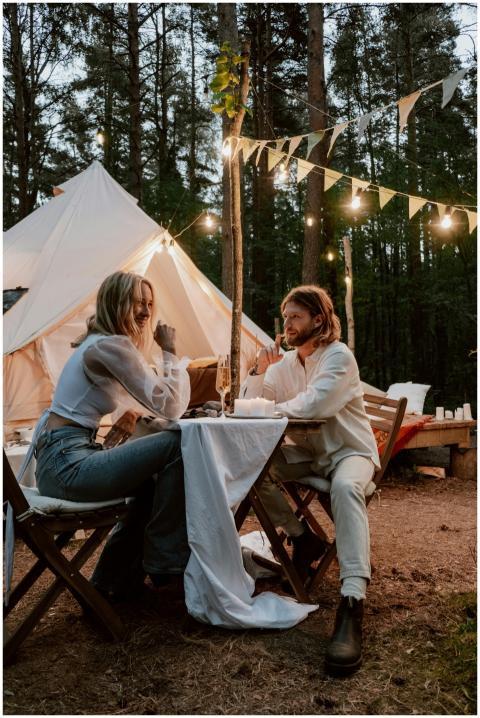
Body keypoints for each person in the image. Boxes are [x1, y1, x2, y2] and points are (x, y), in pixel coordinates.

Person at [241, 285, 380, 676]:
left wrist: (268, 410)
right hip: (311, 455)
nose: (287, 324)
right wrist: (258, 373)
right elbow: (247, 401)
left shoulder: (338, 357)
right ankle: (303, 538)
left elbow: (314, 404)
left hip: (349, 451)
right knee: (254, 466)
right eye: (285, 317)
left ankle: (352, 602)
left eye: (295, 317)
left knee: (347, 487)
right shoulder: (284, 363)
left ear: (318, 320)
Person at [34, 270, 191, 600]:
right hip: (67, 465)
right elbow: (172, 406)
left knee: (149, 483)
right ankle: (165, 565)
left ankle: (112, 584)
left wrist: (134, 413)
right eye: (137, 303)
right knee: (178, 443)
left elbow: (134, 399)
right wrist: (170, 350)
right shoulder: (110, 346)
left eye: (150, 303)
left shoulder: (101, 344)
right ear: (115, 303)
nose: (147, 312)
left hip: (65, 456)